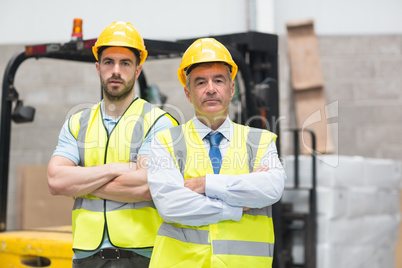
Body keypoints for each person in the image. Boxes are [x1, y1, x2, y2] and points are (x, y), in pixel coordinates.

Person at [47, 21, 178, 268]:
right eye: (109, 62)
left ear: (138, 70)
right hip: (87, 257)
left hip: (140, 255)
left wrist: (79, 183)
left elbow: (146, 185)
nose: (116, 70)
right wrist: (120, 168)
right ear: (98, 68)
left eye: (125, 63)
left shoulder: (159, 122)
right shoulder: (78, 123)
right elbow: (55, 181)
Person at [147, 38, 286, 267]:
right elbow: (171, 205)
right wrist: (237, 206)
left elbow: (271, 188)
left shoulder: (259, 140)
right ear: (188, 93)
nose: (210, 88)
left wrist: (205, 184)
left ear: (231, 89)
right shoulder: (166, 142)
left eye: (218, 80)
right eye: (200, 82)